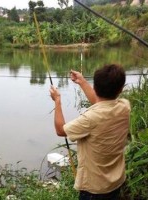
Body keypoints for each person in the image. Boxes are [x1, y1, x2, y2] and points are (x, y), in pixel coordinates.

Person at [49, 64, 130, 200]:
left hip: (94, 191)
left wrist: (57, 101)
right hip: (116, 182)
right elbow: (101, 103)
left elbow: (60, 130)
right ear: (121, 89)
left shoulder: (90, 119)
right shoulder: (124, 106)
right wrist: (82, 81)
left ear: (96, 87)